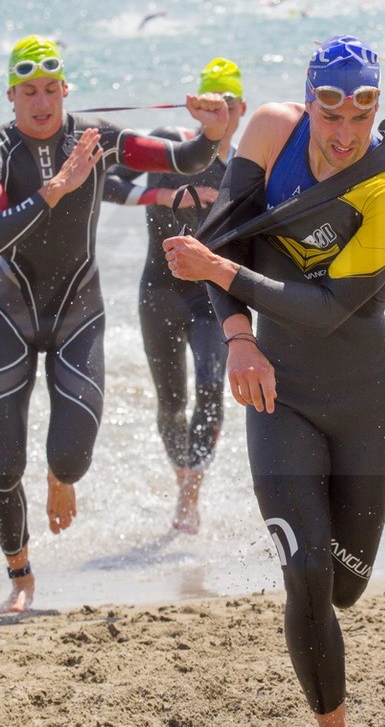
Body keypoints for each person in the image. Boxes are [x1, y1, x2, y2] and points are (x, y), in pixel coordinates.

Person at [161, 35, 385, 726]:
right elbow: (224, 235)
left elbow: (327, 308)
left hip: (361, 394)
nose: (343, 135)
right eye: (329, 115)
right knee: (305, 574)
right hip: (275, 389)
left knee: (344, 585)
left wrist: (219, 270)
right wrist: (239, 338)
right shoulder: (271, 132)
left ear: (376, 110)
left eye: (360, 118)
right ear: (308, 103)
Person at [0, 34, 228, 613]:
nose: (41, 101)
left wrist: (210, 133)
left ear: (65, 90)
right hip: (9, 315)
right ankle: (21, 572)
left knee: (71, 456)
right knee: (2, 464)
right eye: (29, 91)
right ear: (12, 97)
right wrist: (55, 190)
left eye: (50, 89)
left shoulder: (96, 138)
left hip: (77, 312)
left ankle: (59, 478)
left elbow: (182, 161)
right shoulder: (1, 149)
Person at [103, 58, 247, 534]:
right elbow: (104, 181)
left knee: (210, 388)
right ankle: (183, 477)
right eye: (212, 104)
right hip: (159, 293)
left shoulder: (244, 170)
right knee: (171, 402)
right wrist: (164, 197)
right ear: (197, 107)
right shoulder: (169, 148)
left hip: (210, 300)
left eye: (229, 104)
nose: (220, 112)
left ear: (242, 108)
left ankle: (190, 493)